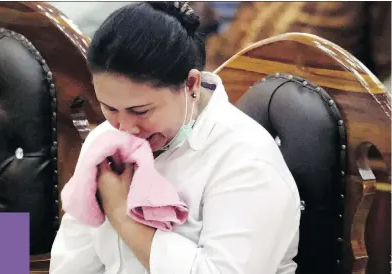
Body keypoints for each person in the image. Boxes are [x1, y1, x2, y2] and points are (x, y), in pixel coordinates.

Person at [50, 2, 301, 274]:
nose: (124, 128)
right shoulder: (107, 142)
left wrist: (122, 214)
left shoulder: (247, 161)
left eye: (140, 111)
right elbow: (71, 263)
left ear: (191, 85)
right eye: (109, 108)